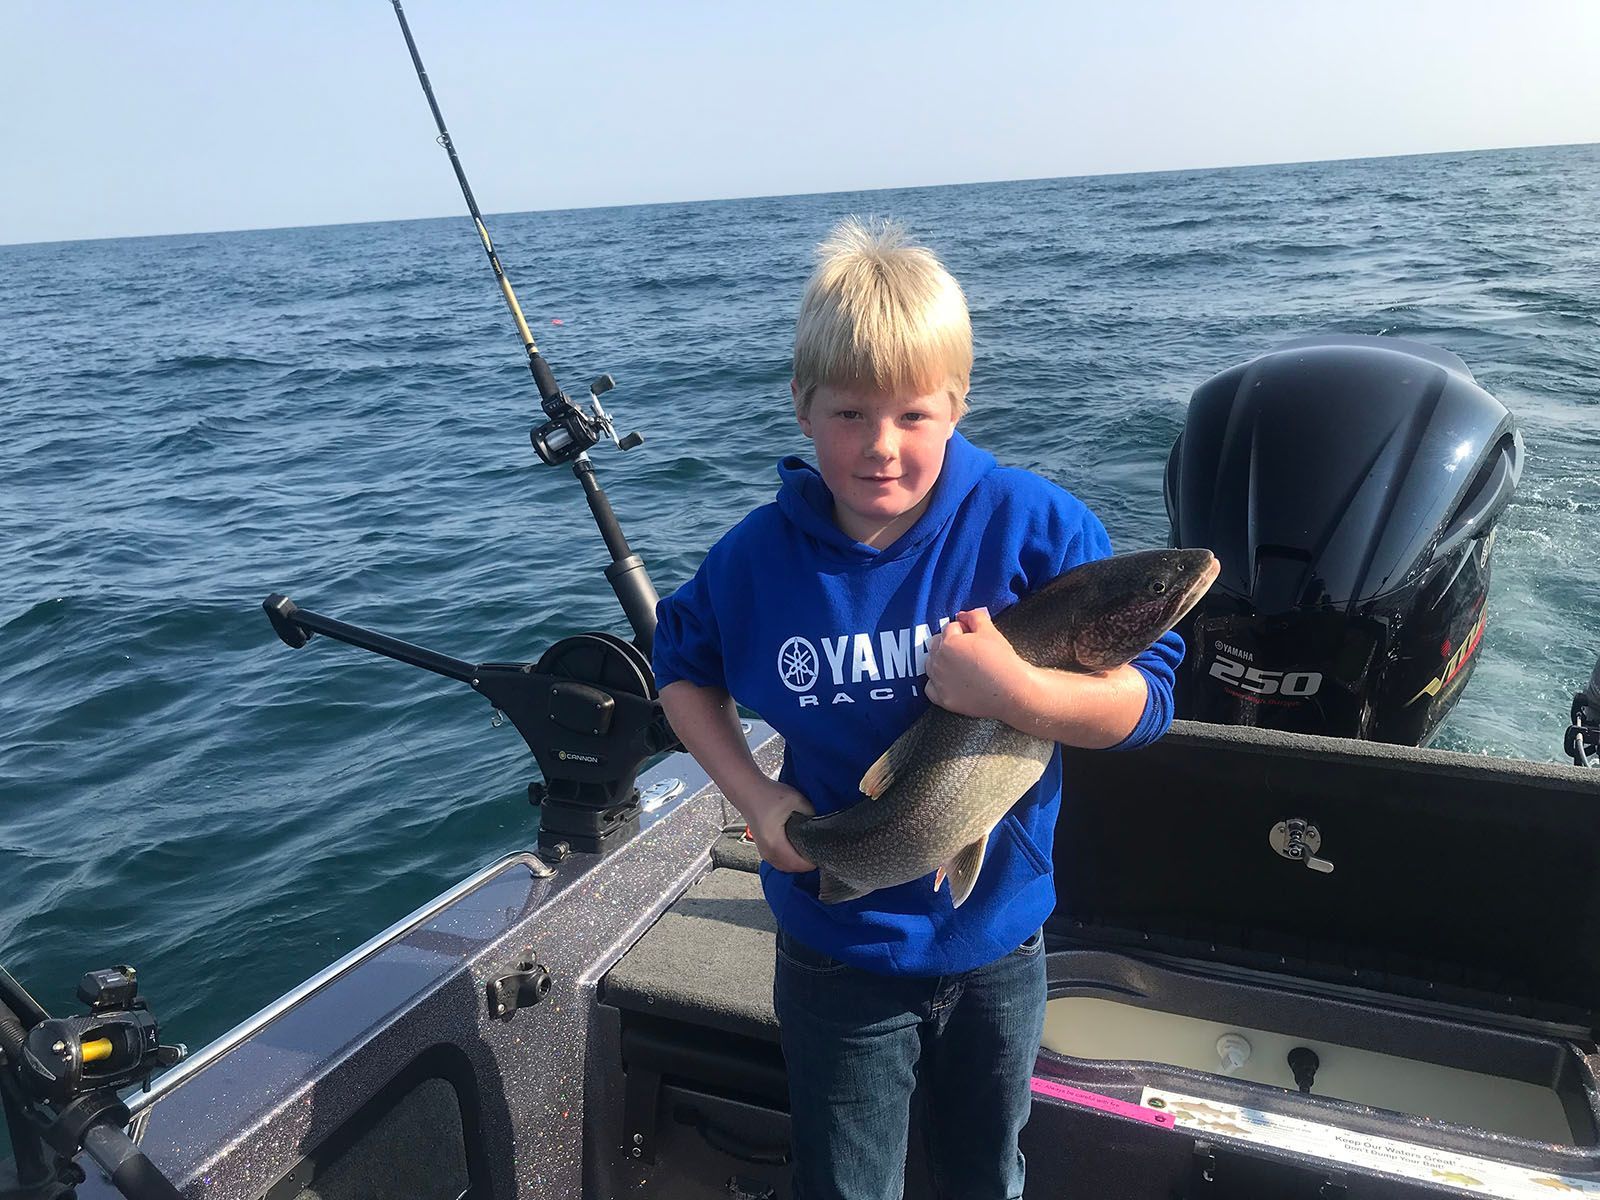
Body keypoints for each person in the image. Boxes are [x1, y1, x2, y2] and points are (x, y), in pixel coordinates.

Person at [651, 216, 1182, 1200]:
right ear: (802, 408)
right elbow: (677, 668)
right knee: (846, 1185)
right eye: (849, 415)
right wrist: (757, 803)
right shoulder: (755, 562)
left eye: (911, 416)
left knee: (988, 1172)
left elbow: (1147, 703)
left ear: (956, 404)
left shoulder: (1032, 527)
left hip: (998, 944)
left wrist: (1011, 693)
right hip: (834, 946)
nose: (879, 448)